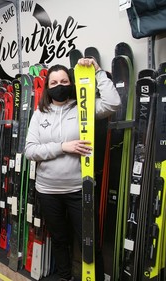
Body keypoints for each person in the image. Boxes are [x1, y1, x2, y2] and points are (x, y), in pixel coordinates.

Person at [24, 58, 121, 281]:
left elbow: (113, 103)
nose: (59, 86)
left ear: (71, 83)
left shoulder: (84, 108)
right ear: (47, 88)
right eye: (54, 82)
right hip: (47, 190)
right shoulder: (40, 114)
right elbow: (30, 150)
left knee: (89, 240)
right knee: (59, 239)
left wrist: (97, 73)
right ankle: (65, 277)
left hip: (79, 189)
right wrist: (62, 147)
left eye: (64, 81)